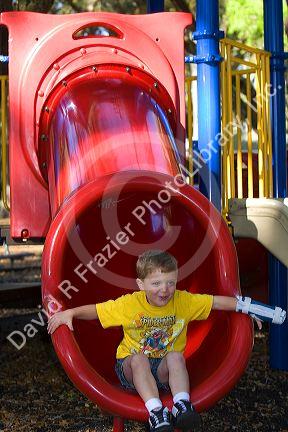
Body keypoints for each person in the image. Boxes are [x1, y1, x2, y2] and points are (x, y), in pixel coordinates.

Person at [47, 250, 286, 432]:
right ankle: (156, 413)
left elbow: (216, 302)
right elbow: (98, 311)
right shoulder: (131, 304)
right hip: (131, 369)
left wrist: (247, 308)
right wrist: (71, 313)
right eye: (156, 283)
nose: (165, 289)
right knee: (139, 359)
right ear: (141, 285)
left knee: (175, 356)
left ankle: (182, 405)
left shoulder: (182, 301)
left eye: (171, 282)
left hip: (163, 371)